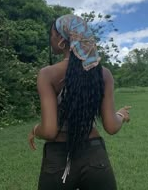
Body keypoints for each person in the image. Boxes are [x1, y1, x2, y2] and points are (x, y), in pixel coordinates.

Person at [28, 14, 131, 190]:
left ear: (62, 39)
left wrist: (35, 129)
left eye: (52, 34)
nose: (50, 39)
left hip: (58, 160)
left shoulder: (48, 74)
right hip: (95, 158)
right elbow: (111, 127)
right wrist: (120, 115)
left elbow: (50, 131)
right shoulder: (104, 73)